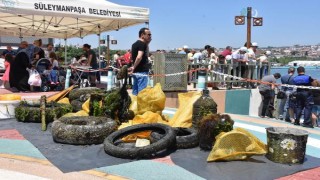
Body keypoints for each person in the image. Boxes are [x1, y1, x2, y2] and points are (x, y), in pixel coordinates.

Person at [129, 27, 152, 95]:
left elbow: (146, 55)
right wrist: (133, 67)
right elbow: (139, 57)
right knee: (142, 93)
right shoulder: (142, 44)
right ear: (142, 35)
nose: (150, 36)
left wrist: (147, 44)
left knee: (135, 92)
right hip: (142, 71)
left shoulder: (134, 44)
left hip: (136, 72)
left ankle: (134, 105)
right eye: (148, 34)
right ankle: (140, 105)